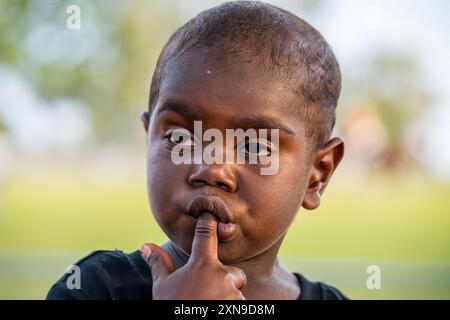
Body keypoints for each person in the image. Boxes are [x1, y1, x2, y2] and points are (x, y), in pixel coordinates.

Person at [47, 0, 347, 300]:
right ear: (148, 138)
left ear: (317, 175)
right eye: (180, 139)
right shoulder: (95, 289)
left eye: (255, 146)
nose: (212, 169)